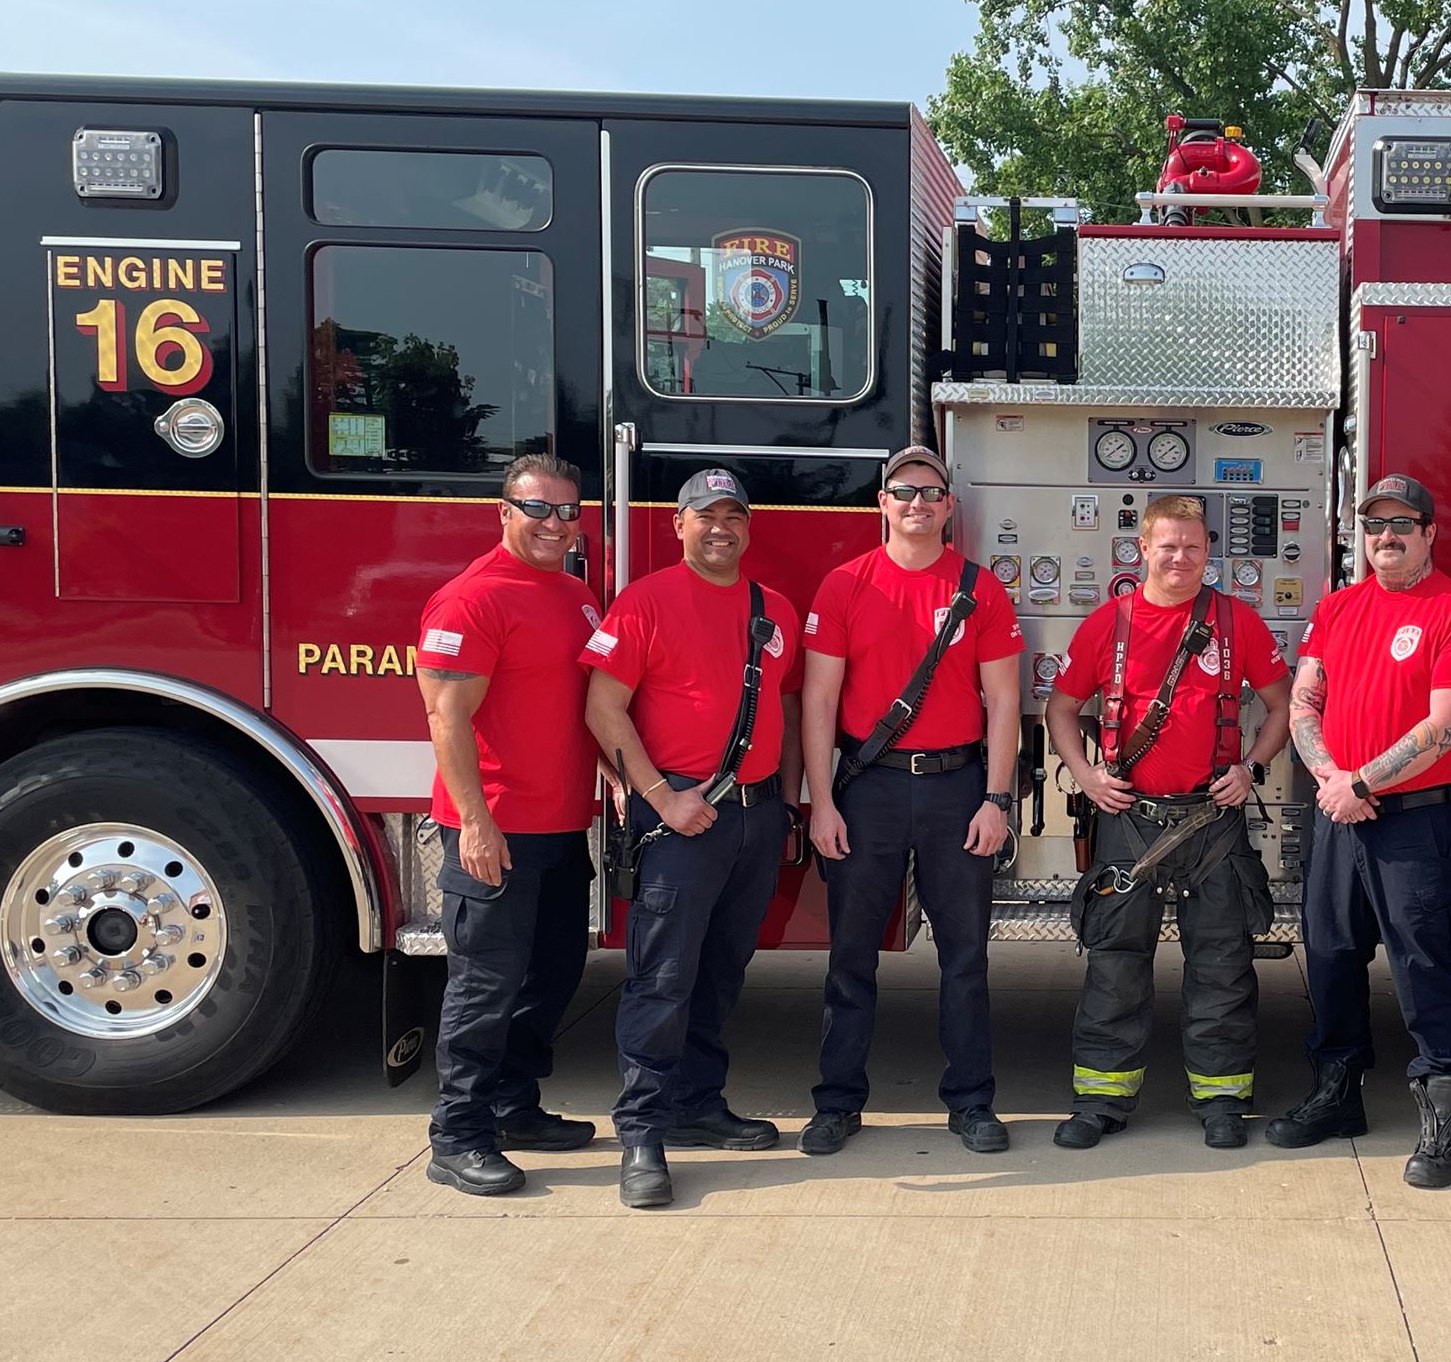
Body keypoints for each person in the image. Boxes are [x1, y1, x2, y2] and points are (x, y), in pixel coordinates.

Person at [582, 468, 804, 1209]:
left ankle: (696, 1104)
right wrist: (658, 798)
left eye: (732, 516)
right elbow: (603, 710)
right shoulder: (643, 602)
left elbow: (787, 708)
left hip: (755, 817)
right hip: (678, 815)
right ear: (677, 525)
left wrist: (789, 805)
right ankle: (641, 1132)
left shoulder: (775, 611)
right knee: (663, 974)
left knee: (720, 971)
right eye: (703, 516)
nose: (719, 528)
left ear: (748, 527)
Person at [1044, 495, 1292, 1147]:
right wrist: (1088, 774)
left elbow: (1282, 705)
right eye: (1168, 546)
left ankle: (1220, 1102)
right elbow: (1062, 709)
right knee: (1114, 964)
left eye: (1193, 547)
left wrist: (1253, 767)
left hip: (1213, 822)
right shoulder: (1107, 625)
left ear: (1209, 552)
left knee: (1222, 964)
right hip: (1131, 823)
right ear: (1142, 549)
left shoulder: (1239, 624)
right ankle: (1100, 1102)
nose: (1180, 558)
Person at [801, 445, 1025, 1157]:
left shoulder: (980, 590)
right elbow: (819, 701)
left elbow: (1003, 702)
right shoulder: (843, 586)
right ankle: (837, 1103)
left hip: (959, 788)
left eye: (931, 493)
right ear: (883, 503)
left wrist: (996, 798)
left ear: (949, 506)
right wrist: (820, 804)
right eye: (904, 492)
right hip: (869, 788)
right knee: (851, 957)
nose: (918, 504)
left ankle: (971, 1102)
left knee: (965, 958)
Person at [1275, 474, 1451, 1188]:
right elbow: (1304, 705)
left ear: (1430, 532)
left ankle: (1445, 1118)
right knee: (1331, 957)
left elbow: (1449, 722)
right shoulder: (1338, 608)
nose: (1387, 538)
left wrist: (1361, 782)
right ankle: (1338, 1096)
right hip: (1339, 813)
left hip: (1412, 819)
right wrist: (1335, 783)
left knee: (1423, 967)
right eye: (1374, 527)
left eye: (1403, 525)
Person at [412, 456, 604, 1197]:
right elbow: (444, 717)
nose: (555, 524)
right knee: (484, 986)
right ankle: (456, 1136)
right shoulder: (470, 601)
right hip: (495, 829)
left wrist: (613, 777)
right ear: (504, 511)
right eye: (538, 509)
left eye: (567, 511)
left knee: (551, 976)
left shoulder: (575, 596)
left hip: (560, 828)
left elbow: (581, 705)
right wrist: (475, 823)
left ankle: (514, 1106)